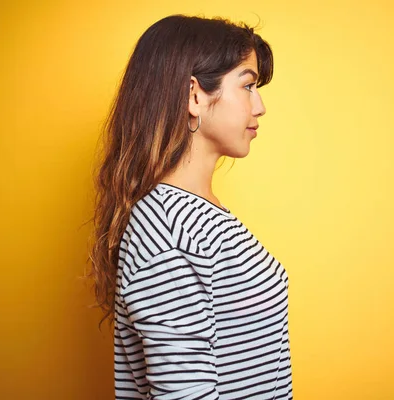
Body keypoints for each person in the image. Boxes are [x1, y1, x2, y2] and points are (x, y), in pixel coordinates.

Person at [88, 14, 293, 399]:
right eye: (248, 85)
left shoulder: (194, 215)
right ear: (194, 95)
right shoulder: (166, 227)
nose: (260, 106)